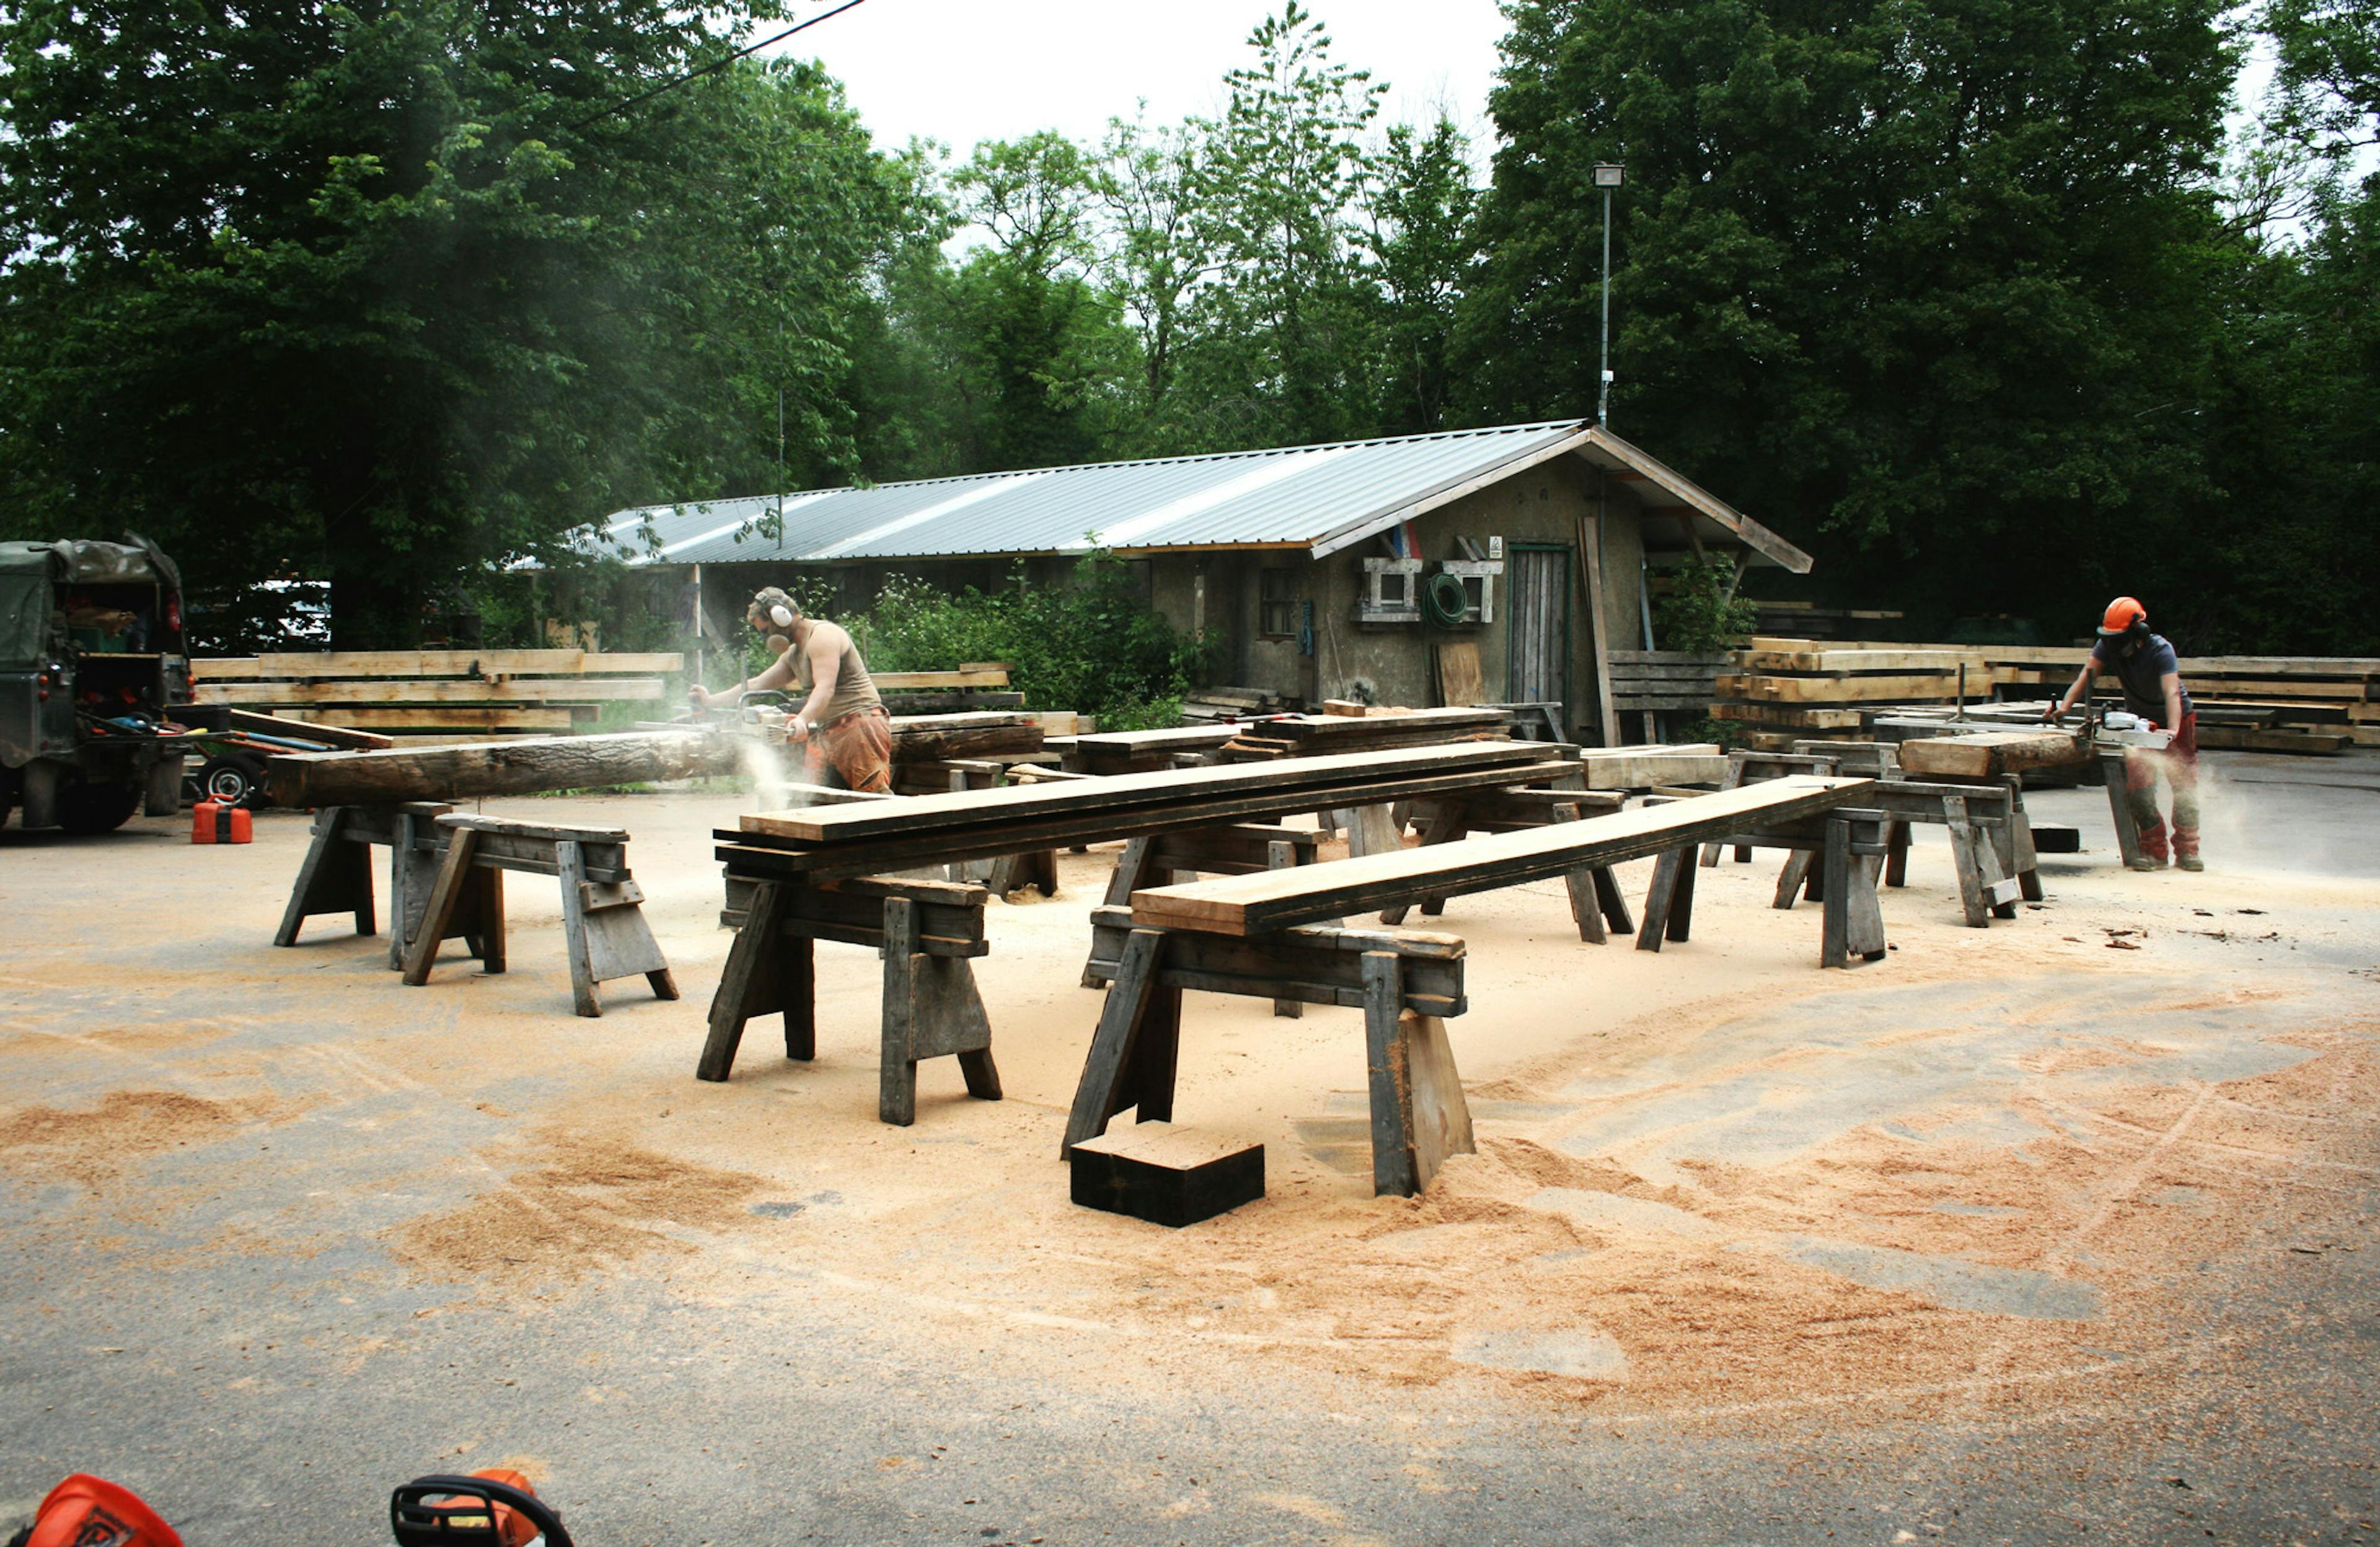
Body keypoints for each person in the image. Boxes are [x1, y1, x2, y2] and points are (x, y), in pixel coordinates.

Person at [2044, 596, 2200, 871]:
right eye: (2110, 639)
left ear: (2139, 632)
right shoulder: (2107, 646)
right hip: (2140, 722)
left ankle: (2188, 852)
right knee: (2140, 788)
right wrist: (2064, 707)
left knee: (2184, 785)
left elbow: (2172, 692)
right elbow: (2086, 677)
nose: (2114, 646)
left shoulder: (2161, 650)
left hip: (2178, 718)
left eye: (2119, 639)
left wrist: (2173, 729)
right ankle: (2154, 852)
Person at [691, 586, 892, 793]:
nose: (765, 638)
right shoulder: (794, 653)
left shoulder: (823, 636)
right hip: (828, 731)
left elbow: (825, 688)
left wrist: (803, 719)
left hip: (859, 725)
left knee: (873, 797)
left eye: (765, 631)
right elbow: (757, 684)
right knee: (815, 798)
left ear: (781, 617)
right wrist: (710, 701)